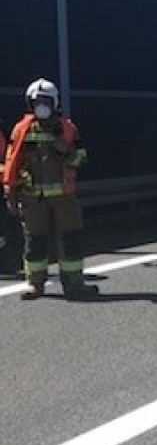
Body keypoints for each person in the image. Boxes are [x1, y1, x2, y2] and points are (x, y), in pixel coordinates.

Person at [3, 77, 98, 299]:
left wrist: (65, 150)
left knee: (70, 240)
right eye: (37, 102)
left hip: (64, 197)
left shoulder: (68, 128)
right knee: (35, 241)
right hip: (32, 197)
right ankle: (35, 284)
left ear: (54, 102)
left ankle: (74, 284)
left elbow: (81, 156)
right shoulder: (22, 130)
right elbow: (12, 162)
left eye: (45, 101)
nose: (41, 106)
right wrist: (11, 191)